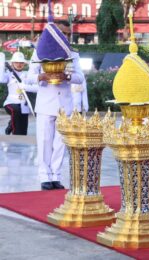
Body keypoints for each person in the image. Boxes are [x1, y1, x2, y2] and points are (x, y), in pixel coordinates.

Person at [26, 20, 85, 191]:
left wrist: (66, 77)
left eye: (68, 34)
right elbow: (29, 77)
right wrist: (41, 77)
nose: (66, 36)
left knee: (60, 143)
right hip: (45, 103)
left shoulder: (72, 54)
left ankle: (56, 176)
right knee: (44, 141)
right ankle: (44, 176)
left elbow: (80, 78)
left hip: (64, 105)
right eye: (63, 33)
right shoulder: (39, 52)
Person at [0, 52, 37, 135]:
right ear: (12, 63)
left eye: (21, 62)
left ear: (24, 64)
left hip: (24, 104)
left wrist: (26, 87)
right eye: (16, 62)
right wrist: (1, 63)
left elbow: (36, 87)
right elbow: (1, 79)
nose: (19, 64)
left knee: (23, 129)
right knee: (16, 110)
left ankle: (12, 126)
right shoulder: (8, 74)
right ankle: (13, 130)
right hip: (11, 102)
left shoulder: (27, 75)